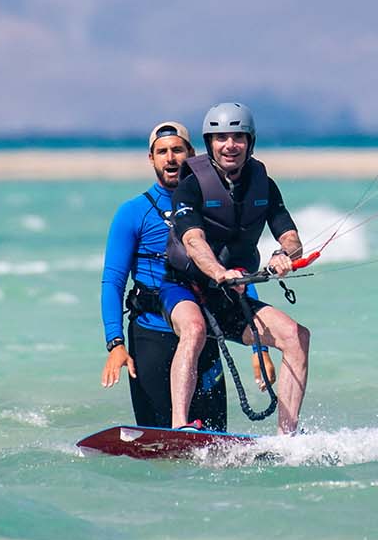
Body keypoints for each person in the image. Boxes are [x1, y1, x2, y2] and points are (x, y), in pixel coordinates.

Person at [162, 101, 313, 435]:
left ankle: (287, 438)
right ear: (210, 143)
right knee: (194, 329)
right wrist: (219, 272)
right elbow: (193, 241)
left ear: (250, 142)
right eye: (221, 138)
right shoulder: (190, 186)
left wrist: (282, 255)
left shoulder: (264, 185)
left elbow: (290, 236)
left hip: (232, 294)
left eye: (238, 137)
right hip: (186, 288)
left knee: (296, 335)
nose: (230, 145)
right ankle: (180, 428)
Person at [99, 121, 228, 430]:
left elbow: (232, 274)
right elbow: (113, 281)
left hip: (203, 333)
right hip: (151, 337)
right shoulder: (133, 212)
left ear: (192, 155)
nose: (170, 158)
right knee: (161, 436)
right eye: (162, 152)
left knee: (215, 437)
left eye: (177, 150)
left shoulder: (212, 208)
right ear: (151, 159)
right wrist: (115, 343)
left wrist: (258, 349)